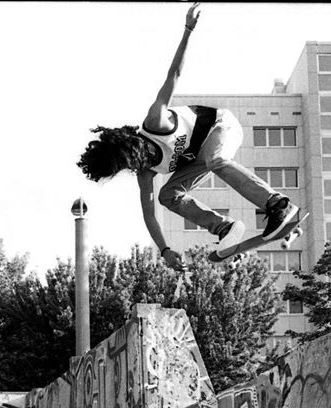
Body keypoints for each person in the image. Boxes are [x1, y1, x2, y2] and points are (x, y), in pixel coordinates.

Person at [76, 2, 299, 271]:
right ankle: (223, 227)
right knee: (167, 195)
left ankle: (277, 204)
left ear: (134, 147)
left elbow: (174, 74)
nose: (140, 167)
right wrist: (165, 251)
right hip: (199, 158)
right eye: (131, 168)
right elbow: (149, 215)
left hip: (221, 128)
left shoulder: (155, 121)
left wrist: (188, 31)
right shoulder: (144, 173)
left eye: (137, 160)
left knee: (215, 159)